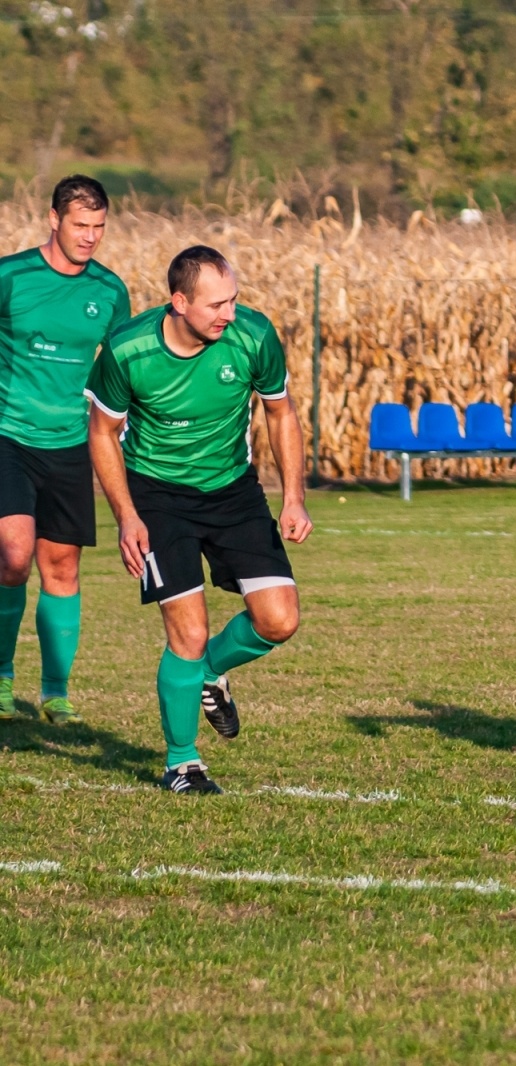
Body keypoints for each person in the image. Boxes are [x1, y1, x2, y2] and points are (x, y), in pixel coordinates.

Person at [86, 246, 311, 795]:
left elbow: (280, 413)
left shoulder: (252, 335)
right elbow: (101, 434)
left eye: (233, 299)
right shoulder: (127, 348)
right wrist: (127, 517)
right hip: (157, 496)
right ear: (178, 301)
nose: (229, 313)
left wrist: (294, 497)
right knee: (186, 633)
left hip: (233, 490)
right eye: (216, 304)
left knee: (279, 621)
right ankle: (182, 764)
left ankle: (210, 672)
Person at [0, 176, 131, 725]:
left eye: (99, 227)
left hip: (70, 444)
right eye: (81, 225)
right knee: (13, 555)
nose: (90, 236)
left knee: (62, 568)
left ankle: (56, 694)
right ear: (53, 219)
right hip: (7, 434)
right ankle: (2, 681)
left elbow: (122, 375)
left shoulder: (109, 290)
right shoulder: (10, 277)